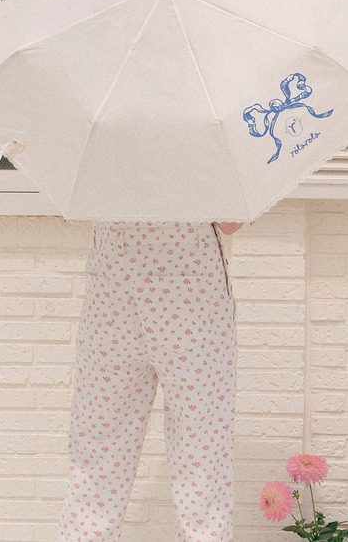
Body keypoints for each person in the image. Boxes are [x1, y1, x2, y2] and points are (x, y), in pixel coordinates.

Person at [59, 220, 243, 541]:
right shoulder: (207, 165)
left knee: (98, 456)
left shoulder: (97, 166)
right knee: (201, 455)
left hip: (111, 292)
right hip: (191, 294)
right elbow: (230, 222)